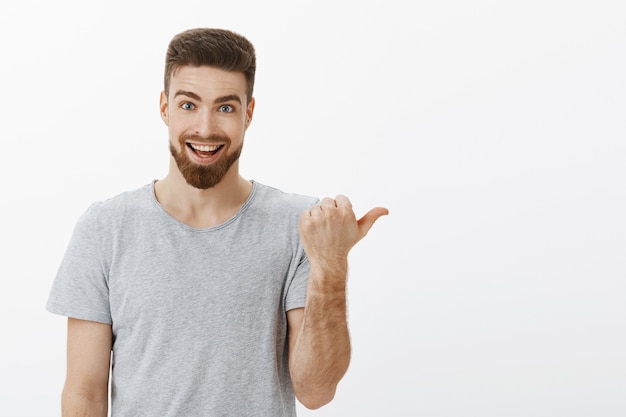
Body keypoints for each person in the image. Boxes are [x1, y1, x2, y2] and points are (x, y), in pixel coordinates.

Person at [46, 27, 388, 417]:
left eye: (225, 107)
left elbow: (315, 390)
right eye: (189, 105)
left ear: (249, 113)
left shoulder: (300, 226)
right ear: (164, 107)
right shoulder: (105, 228)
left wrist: (331, 265)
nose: (205, 128)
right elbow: (85, 394)